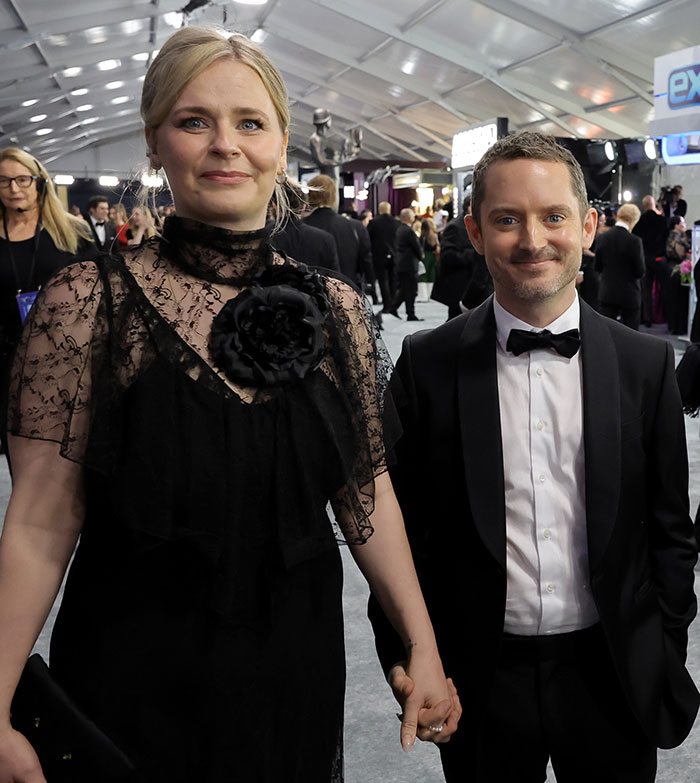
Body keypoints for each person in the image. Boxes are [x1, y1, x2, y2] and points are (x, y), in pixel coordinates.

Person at [0, 26, 459, 783]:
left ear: (280, 144)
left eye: (250, 122)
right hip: (132, 663)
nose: (225, 145)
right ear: (155, 142)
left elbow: (367, 494)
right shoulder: (89, 302)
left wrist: (424, 644)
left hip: (293, 664)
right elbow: (40, 520)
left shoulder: (337, 309)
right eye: (194, 121)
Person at [369, 132, 699, 783]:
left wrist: (663, 646)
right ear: (474, 230)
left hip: (613, 669)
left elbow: (670, 529)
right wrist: (407, 654)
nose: (532, 240)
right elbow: (398, 530)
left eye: (553, 216)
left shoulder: (645, 364)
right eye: (506, 219)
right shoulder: (427, 363)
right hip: (479, 673)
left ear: (588, 226)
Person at [0, 147, 93, 461]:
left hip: (66, 359)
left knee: (69, 457)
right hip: (8, 362)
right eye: (3, 180)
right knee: (21, 458)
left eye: (22, 179)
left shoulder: (72, 230)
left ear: (39, 182)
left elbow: (100, 290)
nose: (13, 188)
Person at [595, 202, 645, 330]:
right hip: (629, 294)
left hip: (607, 292)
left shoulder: (602, 238)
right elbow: (640, 271)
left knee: (606, 333)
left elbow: (597, 267)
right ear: (633, 220)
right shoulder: (635, 241)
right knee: (631, 335)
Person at [431, 195, 476, 320]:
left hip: (473, 284)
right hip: (459, 284)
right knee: (456, 322)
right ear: (468, 207)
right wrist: (474, 254)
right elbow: (448, 256)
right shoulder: (455, 227)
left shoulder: (481, 224)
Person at [386, 208, 423, 321]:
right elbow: (416, 246)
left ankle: (394, 307)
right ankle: (410, 313)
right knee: (410, 290)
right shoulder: (408, 231)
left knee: (404, 289)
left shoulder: (400, 229)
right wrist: (421, 256)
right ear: (408, 217)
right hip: (409, 264)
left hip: (401, 263)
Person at [367, 201, 399, 311]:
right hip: (394, 255)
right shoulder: (396, 223)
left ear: (380, 210)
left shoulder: (374, 223)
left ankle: (387, 304)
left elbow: (368, 238)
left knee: (382, 280)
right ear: (389, 210)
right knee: (393, 279)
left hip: (378, 255)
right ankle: (393, 304)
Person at [417, 217, 438, 302]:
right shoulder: (435, 236)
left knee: (422, 276)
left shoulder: (422, 236)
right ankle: (429, 295)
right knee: (431, 275)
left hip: (425, 256)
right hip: (433, 256)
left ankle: (423, 296)